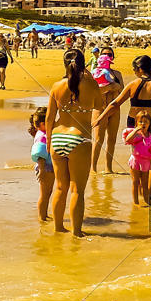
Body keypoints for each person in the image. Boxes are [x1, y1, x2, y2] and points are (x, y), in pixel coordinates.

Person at [43, 47, 104, 236]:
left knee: (60, 187)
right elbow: (99, 105)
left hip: (57, 137)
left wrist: (49, 142)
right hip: (79, 138)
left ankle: (58, 228)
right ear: (83, 64)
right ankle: (77, 233)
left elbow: (49, 118)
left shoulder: (57, 86)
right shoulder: (91, 84)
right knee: (77, 190)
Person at [99, 54, 151, 196]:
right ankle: (148, 195)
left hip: (135, 126)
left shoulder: (133, 84)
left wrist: (101, 117)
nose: (134, 72)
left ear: (140, 69)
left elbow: (115, 103)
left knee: (139, 160)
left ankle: (140, 194)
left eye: (134, 69)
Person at [123, 111, 151, 206]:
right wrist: (135, 130)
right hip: (135, 160)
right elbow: (127, 139)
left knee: (145, 183)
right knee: (135, 182)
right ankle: (136, 203)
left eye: (146, 122)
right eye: (140, 122)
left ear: (149, 124)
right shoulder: (136, 134)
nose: (143, 124)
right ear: (136, 123)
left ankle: (147, 201)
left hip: (145, 162)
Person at [29, 108, 54, 222]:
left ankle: (44, 215)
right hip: (45, 168)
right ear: (44, 124)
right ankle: (42, 218)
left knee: (47, 193)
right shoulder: (42, 136)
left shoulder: (43, 133)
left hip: (47, 167)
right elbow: (40, 155)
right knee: (44, 194)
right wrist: (42, 170)